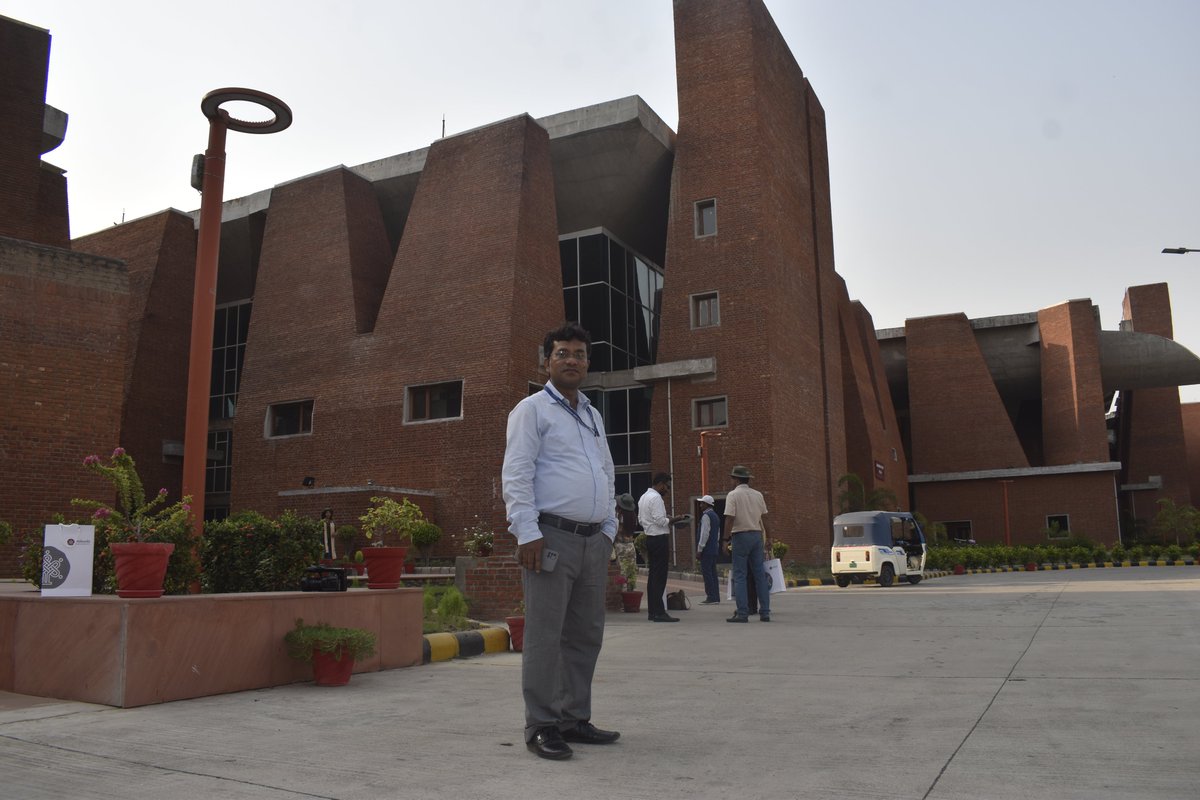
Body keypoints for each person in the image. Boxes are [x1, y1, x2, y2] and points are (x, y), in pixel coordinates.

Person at [502, 322, 621, 761]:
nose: (572, 360)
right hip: (550, 536)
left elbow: (607, 473)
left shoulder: (592, 415)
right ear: (546, 361)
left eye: (579, 354)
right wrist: (526, 531)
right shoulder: (531, 410)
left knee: (586, 634)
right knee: (545, 636)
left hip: (593, 541)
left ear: (588, 362)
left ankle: (574, 718)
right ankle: (542, 724)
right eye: (563, 353)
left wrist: (608, 528)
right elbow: (516, 473)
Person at [723, 465, 771, 623]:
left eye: (732, 478)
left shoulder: (733, 495)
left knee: (740, 575)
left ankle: (743, 612)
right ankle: (765, 612)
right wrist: (769, 538)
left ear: (736, 479)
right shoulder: (758, 495)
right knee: (759, 575)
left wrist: (725, 540)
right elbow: (765, 518)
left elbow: (729, 518)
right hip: (757, 535)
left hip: (740, 535)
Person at [638, 472, 687, 622]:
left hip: (650, 538)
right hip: (659, 539)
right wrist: (674, 519)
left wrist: (666, 520)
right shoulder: (656, 498)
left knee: (653, 577)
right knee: (659, 578)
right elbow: (660, 520)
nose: (667, 489)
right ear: (660, 484)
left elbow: (641, 519)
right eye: (667, 486)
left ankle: (652, 612)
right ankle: (659, 612)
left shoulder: (643, 497)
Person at [696, 495, 721, 604]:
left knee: (707, 573)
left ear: (707, 504)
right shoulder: (715, 516)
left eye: (702, 503)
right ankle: (716, 596)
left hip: (707, 549)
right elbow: (718, 534)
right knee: (713, 573)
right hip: (714, 548)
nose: (701, 505)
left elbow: (704, 534)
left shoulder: (706, 516)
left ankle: (711, 596)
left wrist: (700, 548)